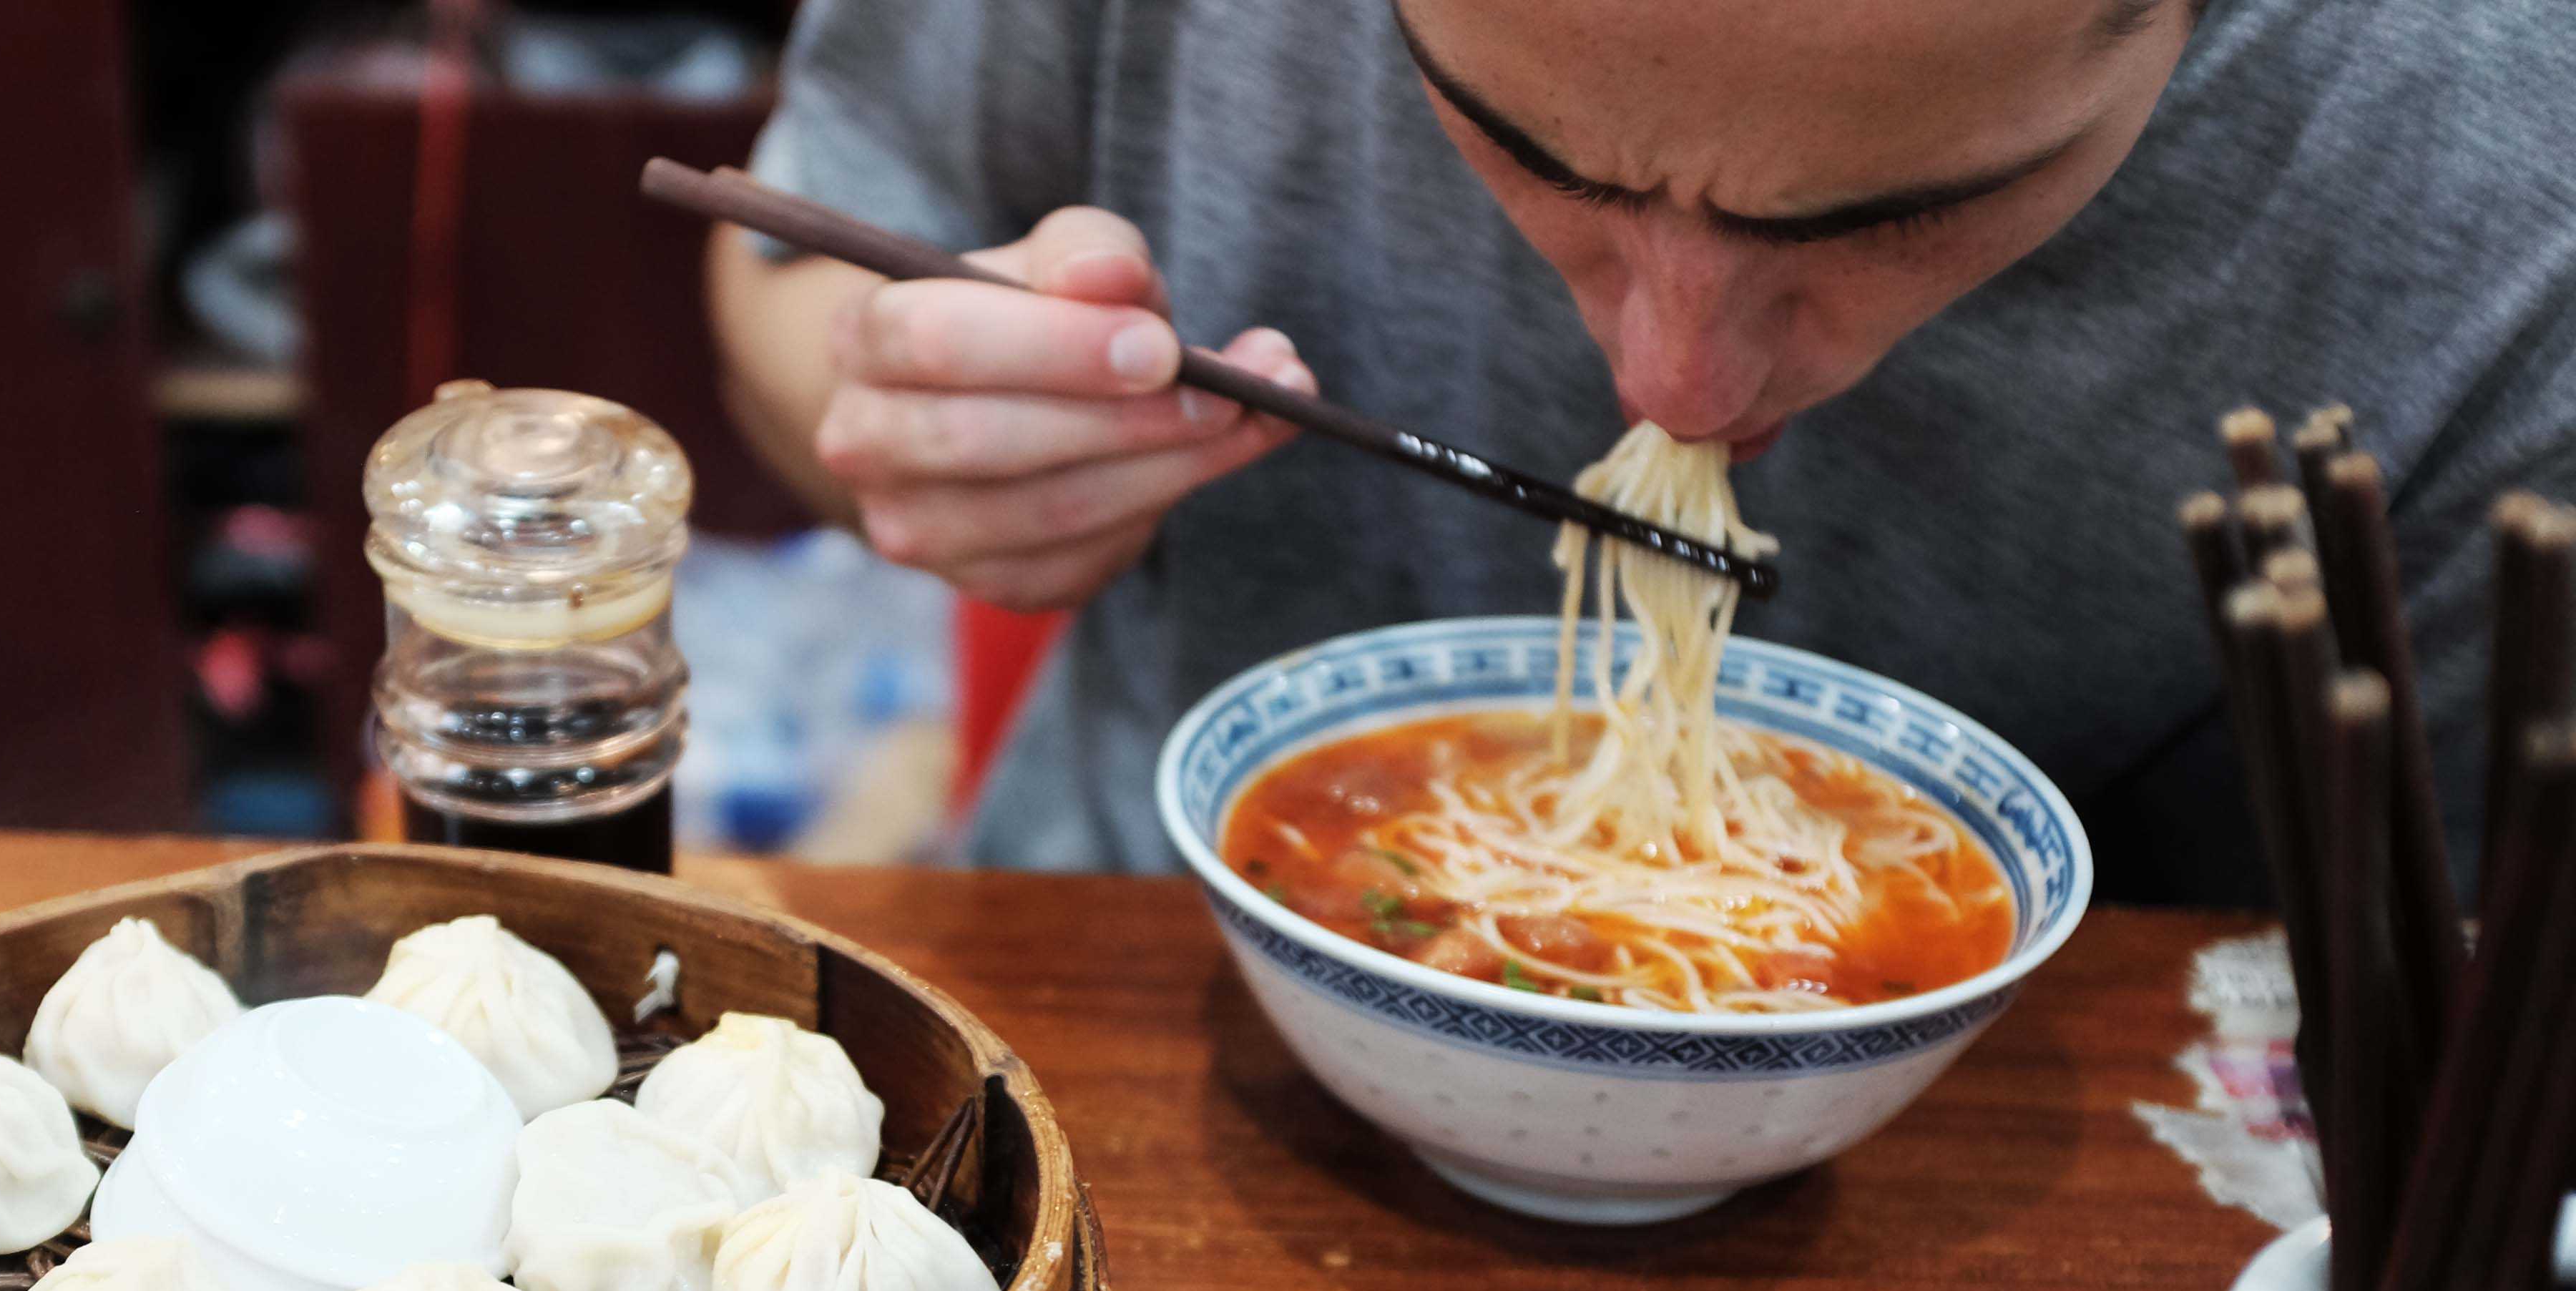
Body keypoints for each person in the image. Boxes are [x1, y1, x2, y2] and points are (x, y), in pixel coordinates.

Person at [707, 0, 2576, 898]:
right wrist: (927, 417)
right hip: (1133, 997)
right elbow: (797, 249)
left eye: (1891, 216)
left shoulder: (2510, 146)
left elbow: (2438, 1010)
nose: (1675, 390)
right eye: (1528, 147)